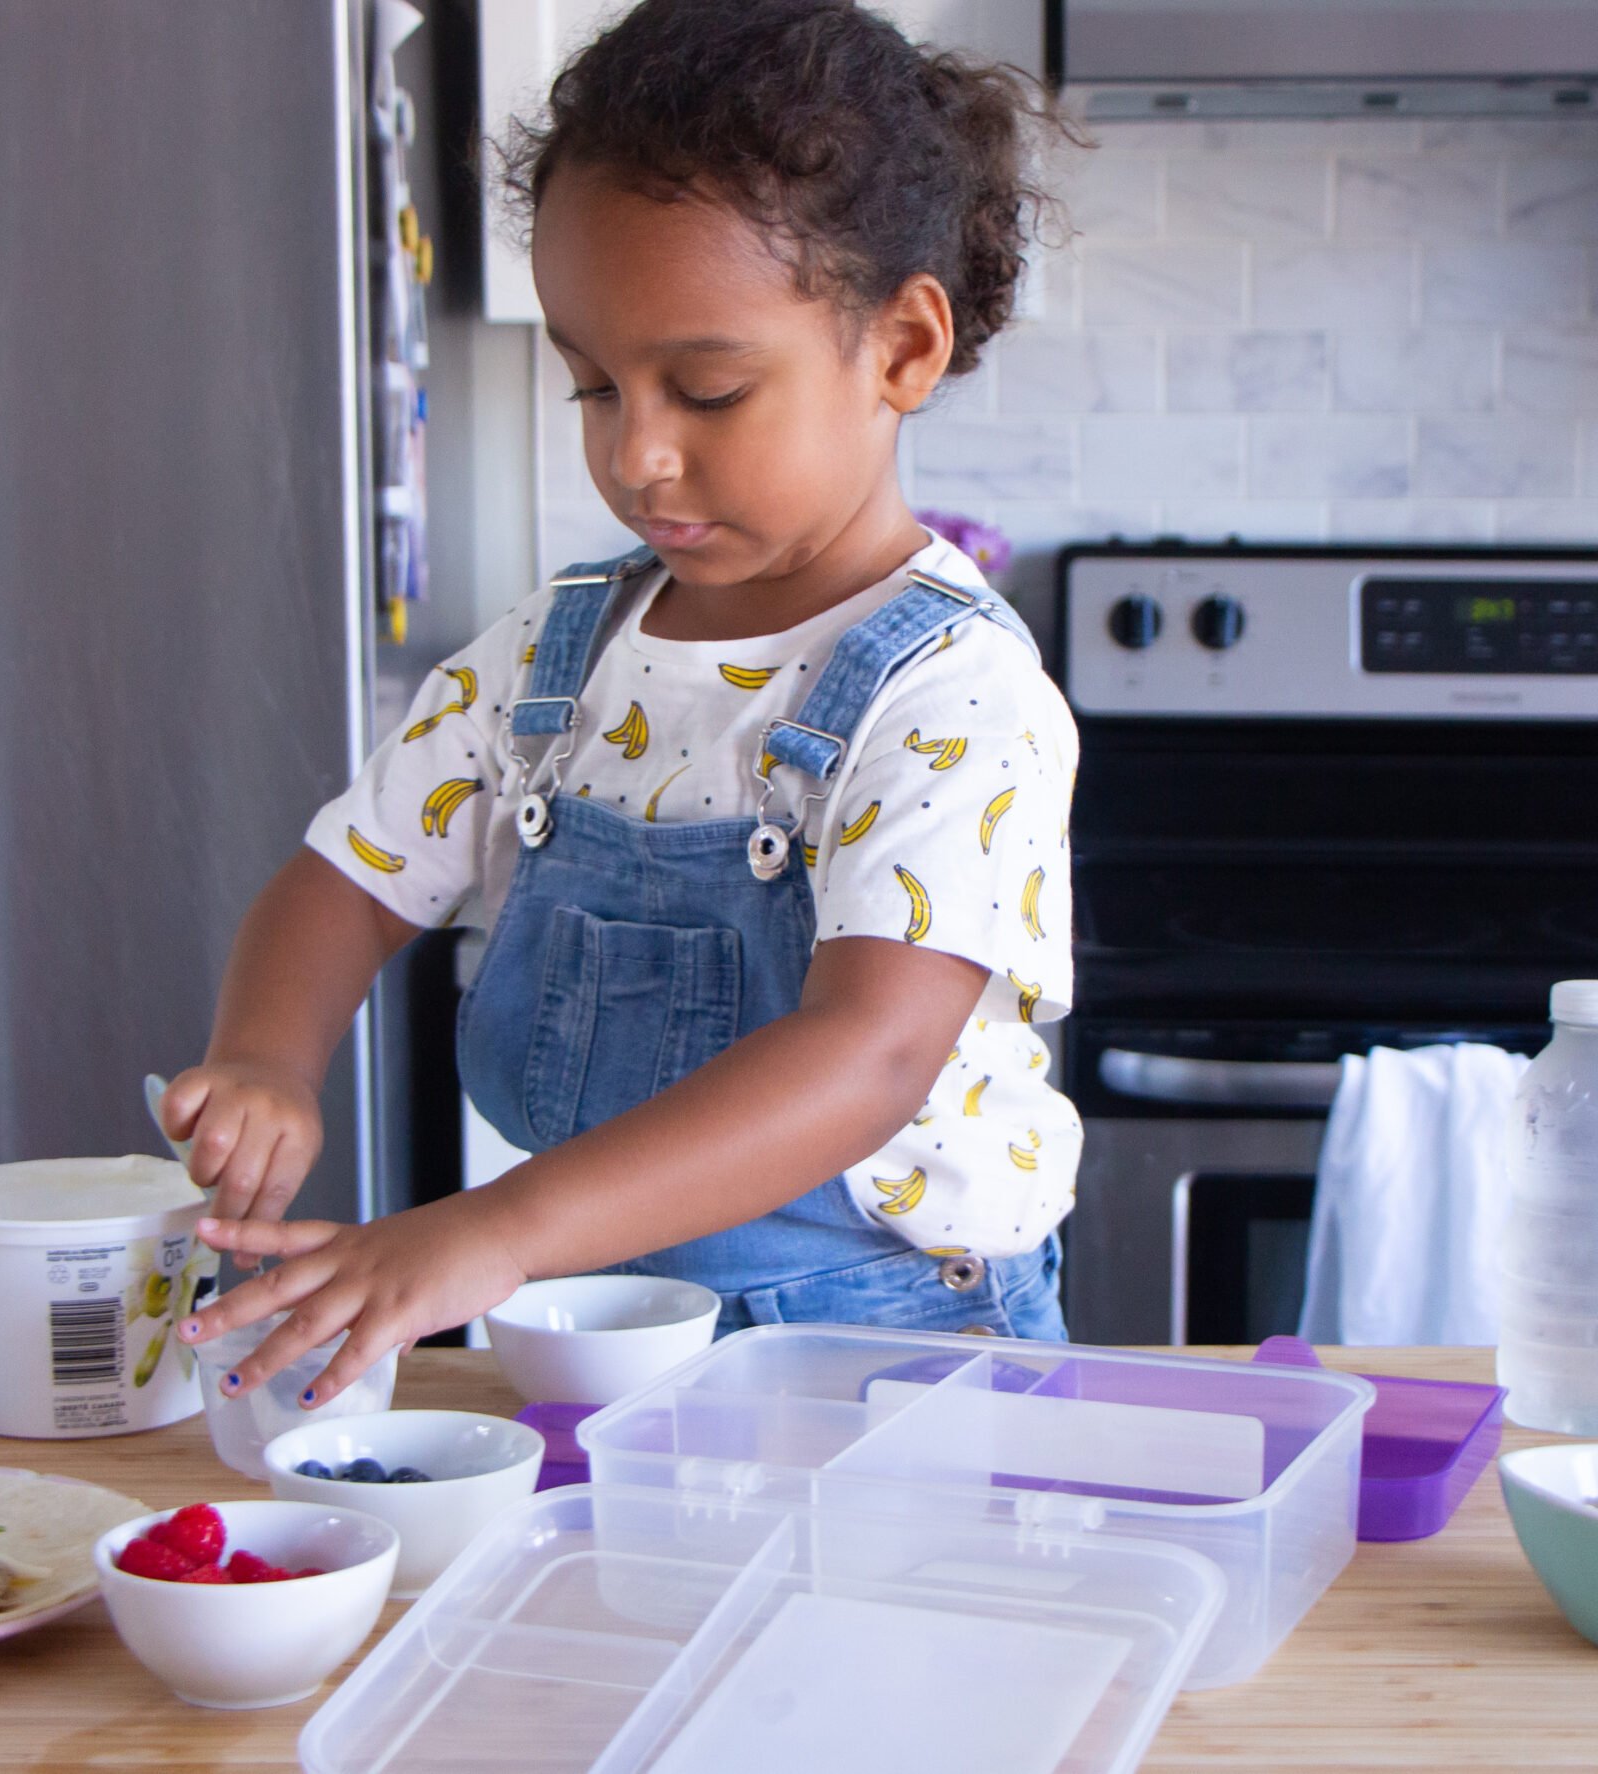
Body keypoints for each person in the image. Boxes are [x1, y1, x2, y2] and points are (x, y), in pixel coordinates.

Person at [164, 0, 1083, 1410]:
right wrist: (264, 1058)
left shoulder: (955, 693)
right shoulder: (558, 654)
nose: (638, 454)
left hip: (895, 1356)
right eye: (594, 384)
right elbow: (347, 877)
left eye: (706, 390)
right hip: (602, 1332)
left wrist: (496, 1227)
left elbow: (869, 1051)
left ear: (902, 348)